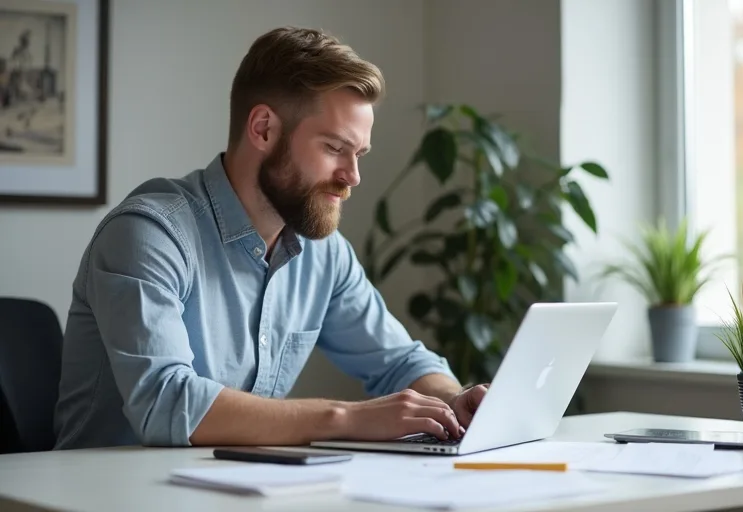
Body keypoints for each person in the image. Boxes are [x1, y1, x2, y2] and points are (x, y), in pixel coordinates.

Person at [53, 26, 488, 450]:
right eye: (335, 148)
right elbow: (166, 404)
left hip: (236, 492)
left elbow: (400, 361)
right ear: (263, 129)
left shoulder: (323, 253)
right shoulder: (150, 234)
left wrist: (452, 401)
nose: (352, 176)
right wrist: (348, 419)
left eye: (359, 155)